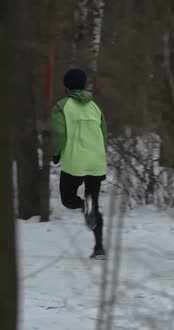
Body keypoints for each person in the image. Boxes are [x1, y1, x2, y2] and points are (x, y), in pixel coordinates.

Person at [51, 68, 107, 260]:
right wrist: (100, 155)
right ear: (84, 85)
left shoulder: (61, 106)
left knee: (68, 199)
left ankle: (84, 206)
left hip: (74, 163)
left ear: (66, 87)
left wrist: (56, 153)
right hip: (96, 162)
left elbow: (59, 133)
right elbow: (104, 135)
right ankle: (99, 248)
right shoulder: (95, 108)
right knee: (95, 204)